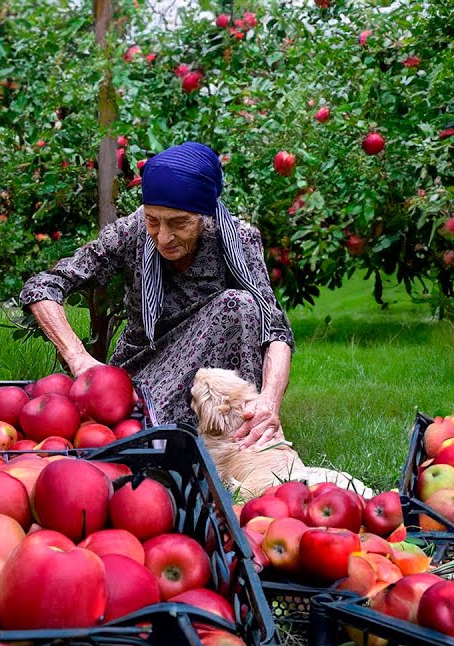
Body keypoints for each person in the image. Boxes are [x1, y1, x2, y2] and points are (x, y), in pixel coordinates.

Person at [19, 141, 294, 448]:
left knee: (240, 306)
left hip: (210, 379)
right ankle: (159, 435)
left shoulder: (238, 240)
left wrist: (269, 402)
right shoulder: (130, 232)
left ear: (205, 218)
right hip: (143, 372)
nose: (163, 237)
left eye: (179, 223)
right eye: (153, 220)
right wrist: (78, 358)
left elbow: (276, 331)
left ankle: (231, 436)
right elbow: (43, 286)